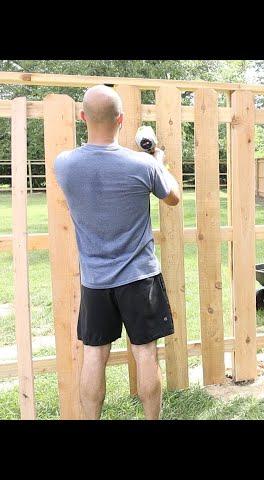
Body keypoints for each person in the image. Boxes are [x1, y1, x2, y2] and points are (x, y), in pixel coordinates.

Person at [54, 85, 181, 420]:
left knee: (94, 355)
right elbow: (173, 197)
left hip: (95, 281)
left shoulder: (64, 165)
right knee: (145, 352)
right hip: (140, 277)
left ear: (83, 118)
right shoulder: (142, 165)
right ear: (121, 120)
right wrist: (160, 163)